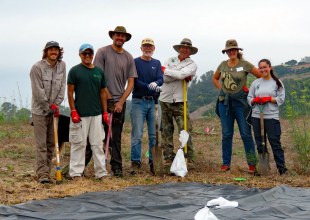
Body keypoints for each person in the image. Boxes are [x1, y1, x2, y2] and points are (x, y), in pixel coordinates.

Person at [212, 39, 262, 173]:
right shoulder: (223, 65)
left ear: (237, 51)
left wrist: (251, 91)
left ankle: (252, 164)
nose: (231, 52)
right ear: (226, 52)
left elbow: (260, 76)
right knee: (227, 134)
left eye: (234, 49)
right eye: (229, 50)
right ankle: (226, 163)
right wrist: (221, 90)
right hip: (225, 103)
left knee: (246, 134)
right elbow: (215, 78)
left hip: (241, 103)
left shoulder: (245, 64)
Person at [94, 26, 137, 177]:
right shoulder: (102, 52)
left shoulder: (128, 57)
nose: (119, 38)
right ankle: (97, 165)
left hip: (120, 101)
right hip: (101, 99)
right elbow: (98, 76)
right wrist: (109, 98)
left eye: (122, 36)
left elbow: (131, 83)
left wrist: (120, 103)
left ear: (125, 39)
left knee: (116, 136)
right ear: (113, 36)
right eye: (117, 35)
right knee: (97, 134)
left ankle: (117, 166)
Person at [67, 43, 109, 180]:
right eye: (84, 54)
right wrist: (73, 110)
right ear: (80, 55)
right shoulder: (75, 71)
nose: (87, 56)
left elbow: (103, 93)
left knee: (97, 144)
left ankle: (101, 173)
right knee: (79, 143)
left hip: (96, 114)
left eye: (90, 54)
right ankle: (76, 173)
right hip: (80, 115)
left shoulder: (98, 72)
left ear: (93, 55)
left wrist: (105, 112)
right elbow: (70, 92)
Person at [30, 41, 66, 184]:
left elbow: (62, 87)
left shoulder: (62, 66)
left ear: (59, 52)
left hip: (54, 111)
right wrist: (48, 107)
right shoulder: (37, 68)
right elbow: (37, 91)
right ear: (46, 52)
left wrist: (56, 105)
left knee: (51, 143)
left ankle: (49, 172)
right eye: (51, 50)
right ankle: (42, 174)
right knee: (41, 144)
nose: (53, 52)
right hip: (39, 111)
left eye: (56, 50)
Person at [159, 38, 198, 165]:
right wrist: (178, 74)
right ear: (179, 49)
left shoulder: (192, 64)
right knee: (166, 130)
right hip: (165, 98)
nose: (184, 49)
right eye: (182, 47)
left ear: (190, 51)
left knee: (185, 129)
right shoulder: (169, 60)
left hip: (181, 101)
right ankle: (168, 157)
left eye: (187, 48)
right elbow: (166, 79)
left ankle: (188, 156)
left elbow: (180, 75)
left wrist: (168, 71)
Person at [247, 59, 287, 175]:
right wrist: (254, 100)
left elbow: (281, 98)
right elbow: (249, 97)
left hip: (271, 117)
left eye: (265, 67)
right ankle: (264, 169)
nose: (263, 69)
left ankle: (282, 169)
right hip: (256, 116)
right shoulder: (256, 83)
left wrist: (269, 99)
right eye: (260, 68)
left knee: (275, 142)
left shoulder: (277, 82)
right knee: (260, 143)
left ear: (270, 67)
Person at [130, 38, 163, 175]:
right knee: (137, 134)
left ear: (154, 48)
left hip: (153, 103)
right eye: (145, 46)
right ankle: (135, 162)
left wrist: (156, 83)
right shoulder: (135, 62)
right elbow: (135, 81)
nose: (148, 49)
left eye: (150, 47)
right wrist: (148, 86)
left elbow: (161, 79)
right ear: (141, 48)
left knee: (153, 135)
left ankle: (152, 162)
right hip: (139, 101)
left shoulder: (157, 63)